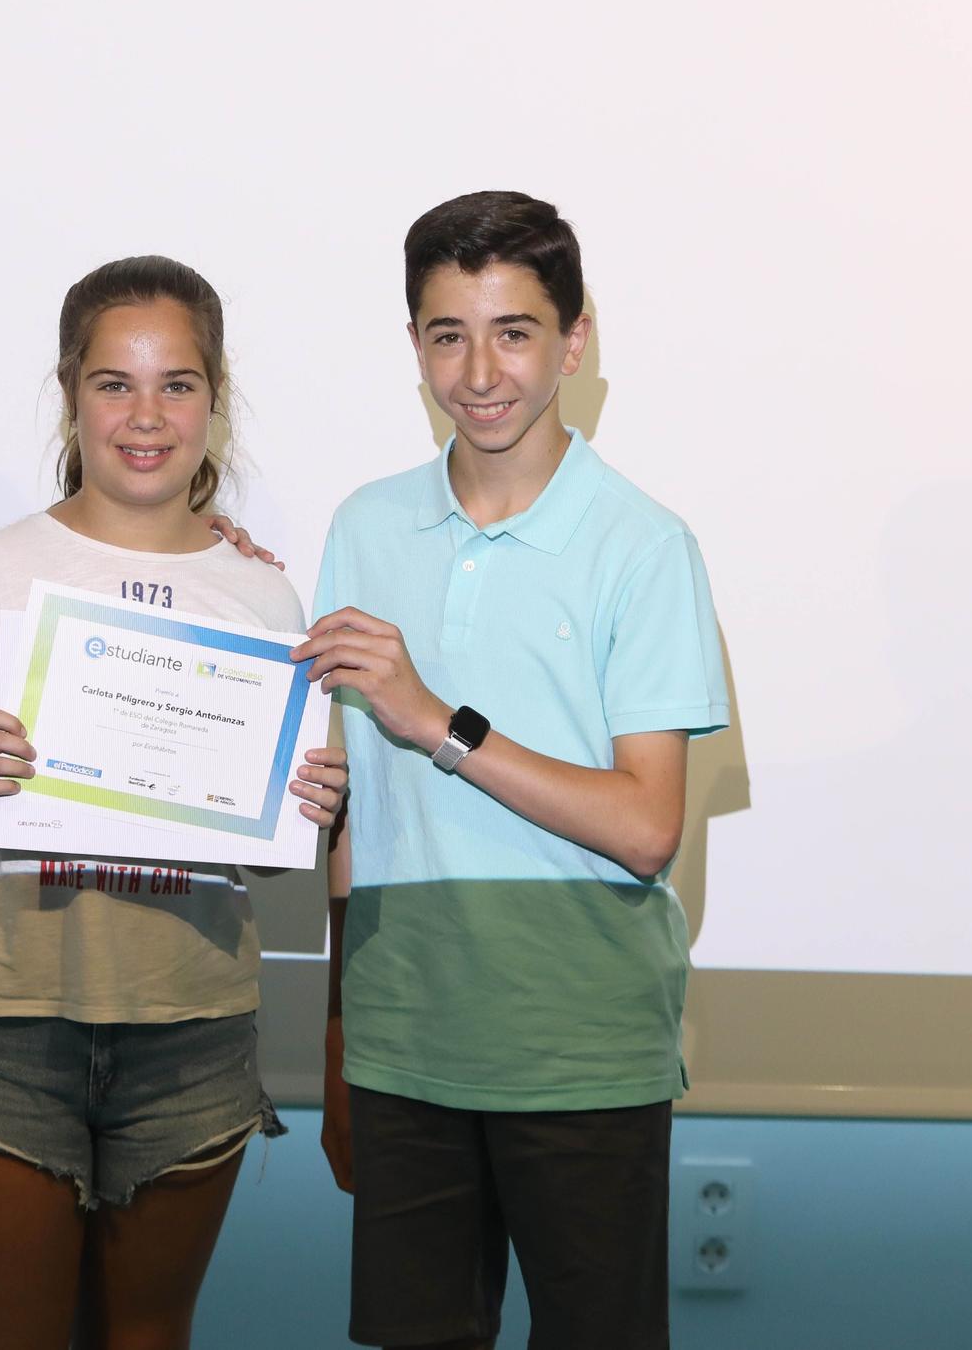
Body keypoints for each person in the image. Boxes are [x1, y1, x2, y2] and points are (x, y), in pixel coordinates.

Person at [0, 256, 348, 1350]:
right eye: (113, 383)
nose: (145, 415)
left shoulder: (262, 594)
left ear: (213, 402)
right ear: (69, 391)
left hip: (188, 1023)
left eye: (176, 384)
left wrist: (298, 808)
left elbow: (256, 858)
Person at [299, 192, 730, 1350]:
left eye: (513, 330)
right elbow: (351, 808)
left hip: (579, 1044)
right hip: (403, 1037)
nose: (479, 370)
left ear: (573, 339)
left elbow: (646, 826)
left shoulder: (642, 545)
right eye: (447, 333)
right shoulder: (364, 524)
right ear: (413, 347)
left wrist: (435, 719)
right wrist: (337, 1031)